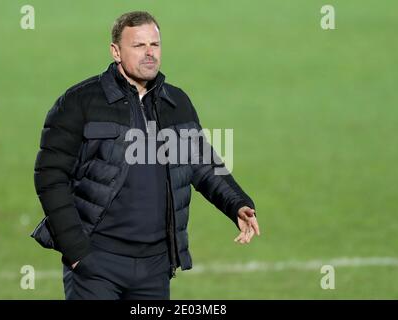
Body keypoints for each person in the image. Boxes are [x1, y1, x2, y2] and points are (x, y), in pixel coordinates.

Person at [32, 11, 260, 300]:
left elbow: (203, 164)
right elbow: (50, 177)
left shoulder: (176, 103)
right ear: (116, 51)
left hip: (155, 267)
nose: (149, 53)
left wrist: (237, 204)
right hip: (97, 263)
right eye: (139, 46)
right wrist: (77, 252)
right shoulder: (80, 102)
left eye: (155, 44)